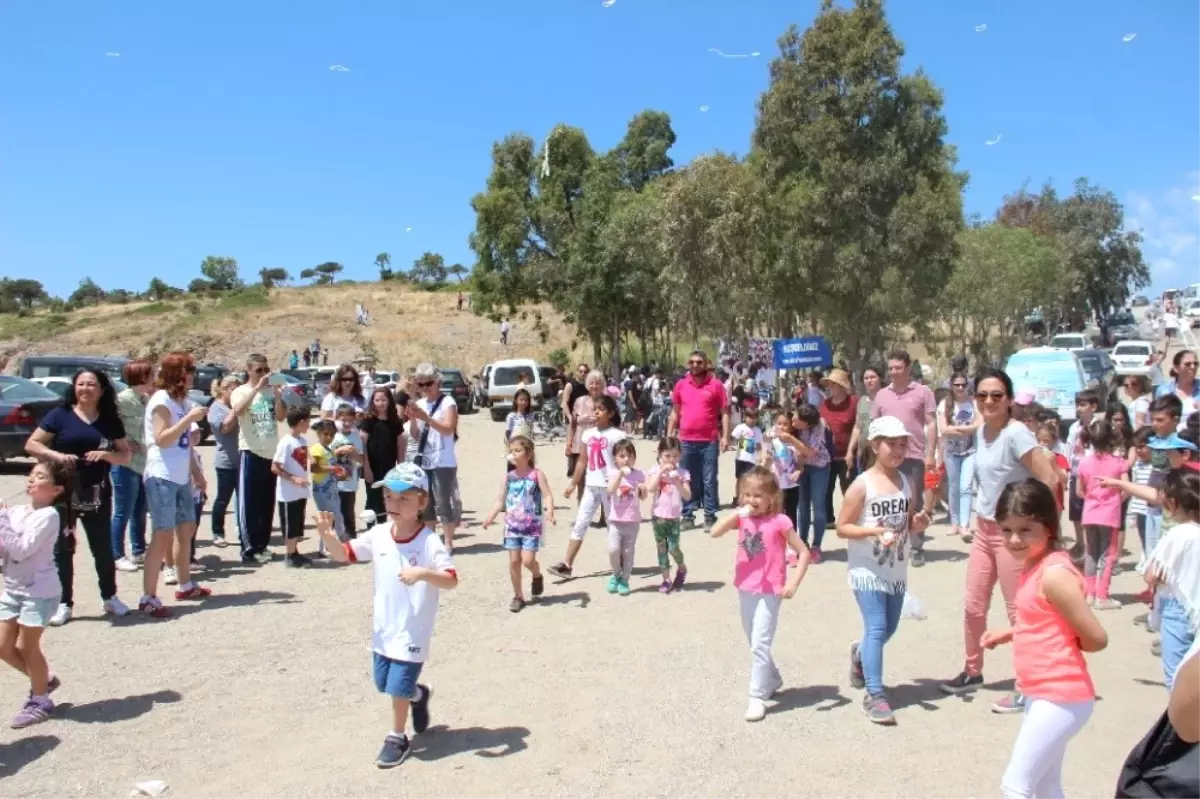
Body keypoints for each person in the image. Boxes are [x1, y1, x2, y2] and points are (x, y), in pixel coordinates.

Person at [313, 464, 457, 769]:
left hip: (413, 630)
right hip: (384, 628)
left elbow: (451, 579)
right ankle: (419, 695)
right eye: (389, 497)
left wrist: (424, 573)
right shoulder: (378, 534)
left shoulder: (429, 541)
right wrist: (327, 536)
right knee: (384, 683)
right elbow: (344, 554)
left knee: (397, 688)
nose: (394, 504)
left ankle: (397, 737)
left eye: (404, 499)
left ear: (422, 502)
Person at [940, 368, 1057, 711]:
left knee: (1018, 610)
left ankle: (1028, 685)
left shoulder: (1016, 434)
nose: (989, 401)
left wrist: (1041, 530)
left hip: (1012, 536)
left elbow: (1049, 478)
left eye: (996, 395)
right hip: (983, 529)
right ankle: (972, 670)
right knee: (974, 605)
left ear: (1009, 400)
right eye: (982, 396)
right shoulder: (982, 433)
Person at [983, 479, 1105, 798]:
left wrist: (1060, 648)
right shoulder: (1035, 565)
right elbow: (1045, 618)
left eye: (1025, 529)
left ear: (1048, 526)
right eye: (1006, 529)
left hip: (1061, 695)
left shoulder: (1054, 575)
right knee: (1046, 786)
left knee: (1015, 784)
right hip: (1043, 693)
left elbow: (1096, 638)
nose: (1014, 539)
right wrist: (1011, 633)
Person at [837, 415, 932, 725]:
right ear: (875, 445)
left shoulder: (907, 482)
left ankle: (860, 655)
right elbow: (842, 528)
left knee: (888, 628)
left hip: (895, 568)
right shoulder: (861, 485)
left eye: (902, 444)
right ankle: (875, 695)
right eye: (891, 444)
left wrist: (916, 523)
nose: (898, 450)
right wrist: (873, 532)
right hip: (866, 568)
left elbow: (907, 521)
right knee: (876, 628)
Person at [24, 369, 133, 625]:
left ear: (102, 390)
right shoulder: (60, 414)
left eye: (91, 384)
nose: (85, 389)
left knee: (102, 548)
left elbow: (125, 455)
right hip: (62, 491)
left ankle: (110, 596)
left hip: (97, 491)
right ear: (74, 387)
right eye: (80, 384)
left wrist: (106, 455)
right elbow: (32, 444)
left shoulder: (109, 419)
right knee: (63, 548)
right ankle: (64, 603)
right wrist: (57, 457)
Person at [709, 466, 810, 722]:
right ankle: (772, 677)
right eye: (747, 494)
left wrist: (794, 583)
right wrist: (735, 514)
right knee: (753, 640)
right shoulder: (743, 518)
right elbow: (714, 532)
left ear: (771, 498)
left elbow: (804, 551)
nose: (751, 501)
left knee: (761, 643)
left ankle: (756, 697)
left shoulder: (780, 521)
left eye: (758, 496)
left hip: (770, 590)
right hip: (745, 586)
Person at [139, 352, 212, 618]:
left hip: (181, 475)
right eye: (188, 371)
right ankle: (148, 596)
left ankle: (185, 584)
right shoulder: (161, 400)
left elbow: (186, 445)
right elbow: (161, 439)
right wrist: (187, 420)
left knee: (186, 528)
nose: (192, 376)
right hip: (162, 475)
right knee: (162, 534)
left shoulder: (182, 401)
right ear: (175, 374)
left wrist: (197, 473)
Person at [0, 460, 71, 728]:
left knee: (26, 646)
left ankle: (40, 699)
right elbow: (5, 549)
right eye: (31, 474)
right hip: (14, 589)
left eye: (40, 476)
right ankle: (44, 680)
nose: (31, 479)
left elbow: (21, 550)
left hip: (39, 592)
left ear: (56, 489)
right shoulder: (18, 510)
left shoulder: (49, 516)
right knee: (3, 647)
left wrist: (2, 519)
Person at [870, 351, 937, 567]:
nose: (893, 372)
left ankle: (916, 548)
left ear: (908, 368)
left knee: (914, 503)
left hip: (913, 455)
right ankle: (888, 542)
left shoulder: (923, 392)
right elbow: (874, 426)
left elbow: (931, 423)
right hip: (886, 458)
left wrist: (930, 454)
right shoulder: (881, 395)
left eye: (898, 368)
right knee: (886, 501)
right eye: (890, 368)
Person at [549, 396, 624, 580]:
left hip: (610, 487)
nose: (596, 412)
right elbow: (582, 460)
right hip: (591, 486)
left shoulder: (618, 435)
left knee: (614, 527)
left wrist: (625, 484)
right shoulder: (588, 434)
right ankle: (566, 564)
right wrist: (573, 483)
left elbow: (624, 461)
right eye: (595, 409)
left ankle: (622, 562)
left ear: (611, 413)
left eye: (601, 409)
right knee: (581, 523)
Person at [482, 435, 554, 612]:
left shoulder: (537, 475)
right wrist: (490, 517)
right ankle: (518, 596)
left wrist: (550, 511)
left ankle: (537, 575)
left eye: (517, 450)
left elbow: (547, 495)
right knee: (514, 561)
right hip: (512, 526)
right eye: (511, 450)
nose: (513, 454)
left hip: (532, 526)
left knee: (528, 561)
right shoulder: (509, 477)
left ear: (528, 454)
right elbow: (500, 500)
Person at [231, 354, 288, 565]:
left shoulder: (270, 392)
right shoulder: (241, 391)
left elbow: (281, 417)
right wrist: (256, 388)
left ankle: (262, 545)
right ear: (249, 371)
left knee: (266, 502)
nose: (263, 374)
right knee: (249, 502)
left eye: (266, 370)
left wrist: (279, 396)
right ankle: (248, 547)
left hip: (270, 451)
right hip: (250, 450)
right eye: (259, 370)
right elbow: (237, 410)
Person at [667, 349, 731, 532]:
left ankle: (710, 516)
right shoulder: (681, 385)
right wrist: (669, 433)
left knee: (709, 479)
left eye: (699, 362)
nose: (695, 365)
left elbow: (725, 412)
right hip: (686, 440)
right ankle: (687, 516)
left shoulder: (716, 385)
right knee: (686, 479)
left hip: (709, 440)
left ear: (706, 364)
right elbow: (675, 412)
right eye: (692, 362)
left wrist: (725, 436)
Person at [406, 363, 462, 552]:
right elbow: (415, 435)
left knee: (443, 501)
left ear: (437, 382)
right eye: (420, 385)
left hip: (443, 460)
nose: (424, 389)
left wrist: (426, 418)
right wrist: (413, 418)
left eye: (428, 383)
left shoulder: (448, 402)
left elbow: (448, 429)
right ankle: (431, 539)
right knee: (426, 503)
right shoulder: (420, 404)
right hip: (425, 460)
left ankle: (448, 541)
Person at [1076, 419, 1130, 609]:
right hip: (1110, 514)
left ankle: (1089, 593)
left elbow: (1079, 491)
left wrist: (1092, 499)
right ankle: (1102, 596)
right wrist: (1116, 501)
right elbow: (1126, 488)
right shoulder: (1119, 463)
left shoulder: (1084, 463)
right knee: (1108, 555)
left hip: (1089, 512)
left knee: (1091, 552)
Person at [111, 359, 154, 572]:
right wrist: (123, 442)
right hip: (125, 463)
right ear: (143, 376)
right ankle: (116, 554)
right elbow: (110, 427)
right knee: (123, 511)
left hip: (144, 463)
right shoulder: (122, 399)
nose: (154, 379)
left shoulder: (146, 399)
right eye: (151, 374)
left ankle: (139, 551)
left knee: (140, 510)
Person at [938, 372, 981, 541]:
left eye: (963, 384)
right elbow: (943, 429)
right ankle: (954, 522)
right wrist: (966, 429)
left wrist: (957, 429)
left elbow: (978, 425)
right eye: (957, 385)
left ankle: (965, 525)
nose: (961, 388)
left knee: (966, 488)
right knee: (954, 487)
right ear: (952, 386)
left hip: (970, 451)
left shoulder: (973, 404)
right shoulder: (945, 404)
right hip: (951, 452)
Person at [647, 437, 691, 594]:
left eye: (675, 456)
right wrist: (660, 472)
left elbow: (687, 496)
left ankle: (682, 567)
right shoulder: (654, 470)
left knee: (673, 547)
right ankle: (666, 579)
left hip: (673, 518)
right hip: (658, 517)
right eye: (667, 456)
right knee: (662, 549)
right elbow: (650, 489)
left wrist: (677, 481)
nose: (671, 460)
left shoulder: (683, 473)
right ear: (660, 455)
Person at [790, 404, 832, 561]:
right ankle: (802, 543)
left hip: (819, 467)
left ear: (806, 424)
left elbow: (810, 452)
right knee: (802, 506)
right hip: (801, 467)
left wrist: (790, 439)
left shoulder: (818, 426)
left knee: (818, 505)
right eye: (794, 414)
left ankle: (816, 545)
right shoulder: (792, 421)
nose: (793, 418)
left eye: (797, 418)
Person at [1064, 390, 1102, 561]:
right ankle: (1080, 543)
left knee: (1092, 512)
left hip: (1092, 477)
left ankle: (1093, 546)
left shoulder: (1098, 426)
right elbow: (1068, 450)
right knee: (1076, 512)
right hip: (1075, 474)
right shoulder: (1074, 427)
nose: (1079, 408)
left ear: (1093, 407)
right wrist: (1065, 469)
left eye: (1083, 405)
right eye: (1077, 405)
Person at [272, 407, 312, 567]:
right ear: (301, 422)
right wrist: (293, 478)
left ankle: (295, 552)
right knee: (289, 524)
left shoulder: (302, 441)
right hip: (288, 493)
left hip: (300, 491)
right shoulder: (286, 443)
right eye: (307, 421)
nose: (309, 425)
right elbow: (275, 467)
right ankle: (289, 555)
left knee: (297, 523)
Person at [206, 374, 243, 549]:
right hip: (226, 462)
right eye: (233, 389)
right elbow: (224, 428)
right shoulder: (216, 408)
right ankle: (218, 532)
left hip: (242, 460)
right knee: (223, 499)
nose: (236, 392)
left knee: (243, 499)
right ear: (224, 389)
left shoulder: (234, 406)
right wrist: (235, 410)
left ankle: (243, 530)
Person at [361, 387, 406, 527]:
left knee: (387, 499)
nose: (381, 403)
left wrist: (400, 467)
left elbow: (400, 446)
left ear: (389, 401)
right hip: (372, 466)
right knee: (372, 499)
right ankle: (370, 530)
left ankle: (382, 527)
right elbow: (363, 446)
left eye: (384, 400)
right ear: (372, 402)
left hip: (389, 467)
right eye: (377, 400)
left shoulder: (395, 422)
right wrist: (366, 467)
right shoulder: (368, 420)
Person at [605, 439, 645, 596]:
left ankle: (625, 579)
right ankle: (616, 573)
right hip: (615, 520)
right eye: (622, 456)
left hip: (632, 520)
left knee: (628, 552)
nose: (626, 459)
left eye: (629, 456)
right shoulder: (612, 473)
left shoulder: (639, 474)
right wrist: (620, 474)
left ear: (634, 458)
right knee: (613, 550)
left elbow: (643, 496)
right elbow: (610, 490)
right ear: (615, 458)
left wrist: (642, 489)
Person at [819, 369, 858, 529]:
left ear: (842, 386)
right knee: (826, 489)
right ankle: (829, 519)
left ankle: (851, 518)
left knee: (849, 489)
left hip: (847, 454)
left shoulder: (854, 402)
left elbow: (858, 426)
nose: (830, 387)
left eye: (833, 385)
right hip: (827, 455)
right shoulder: (825, 405)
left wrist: (850, 451)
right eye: (829, 385)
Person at [765, 412, 802, 537]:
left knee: (791, 515)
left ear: (791, 426)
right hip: (776, 484)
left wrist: (799, 471)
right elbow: (764, 441)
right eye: (779, 424)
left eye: (785, 424)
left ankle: (792, 544)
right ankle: (777, 541)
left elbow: (801, 463)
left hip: (792, 485)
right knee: (776, 514)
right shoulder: (772, 441)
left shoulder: (794, 443)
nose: (781, 427)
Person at [332, 403, 365, 540]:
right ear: (336, 419)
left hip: (350, 482)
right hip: (334, 481)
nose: (346, 423)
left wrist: (354, 454)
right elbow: (324, 456)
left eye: (350, 420)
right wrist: (338, 451)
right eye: (343, 420)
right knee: (334, 511)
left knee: (348, 511)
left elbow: (361, 459)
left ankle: (351, 536)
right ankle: (332, 538)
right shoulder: (332, 436)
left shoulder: (356, 437)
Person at [847, 365, 882, 476]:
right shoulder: (861, 401)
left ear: (880, 378)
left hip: (881, 454)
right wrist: (850, 450)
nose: (869, 380)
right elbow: (857, 427)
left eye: (872, 377)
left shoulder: (887, 399)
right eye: (866, 378)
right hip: (862, 454)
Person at [731, 406, 763, 504]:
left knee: (749, 480)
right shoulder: (740, 427)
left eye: (754, 417)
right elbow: (733, 437)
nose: (752, 420)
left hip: (751, 460)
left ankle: (747, 498)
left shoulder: (757, 430)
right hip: (741, 458)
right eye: (749, 417)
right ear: (744, 417)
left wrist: (760, 457)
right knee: (740, 479)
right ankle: (737, 498)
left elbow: (759, 445)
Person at [1156, 350, 1200, 420]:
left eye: (1196, 363)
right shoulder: (1164, 391)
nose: (1193, 367)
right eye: (1187, 364)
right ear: (1176, 369)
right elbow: (1156, 417)